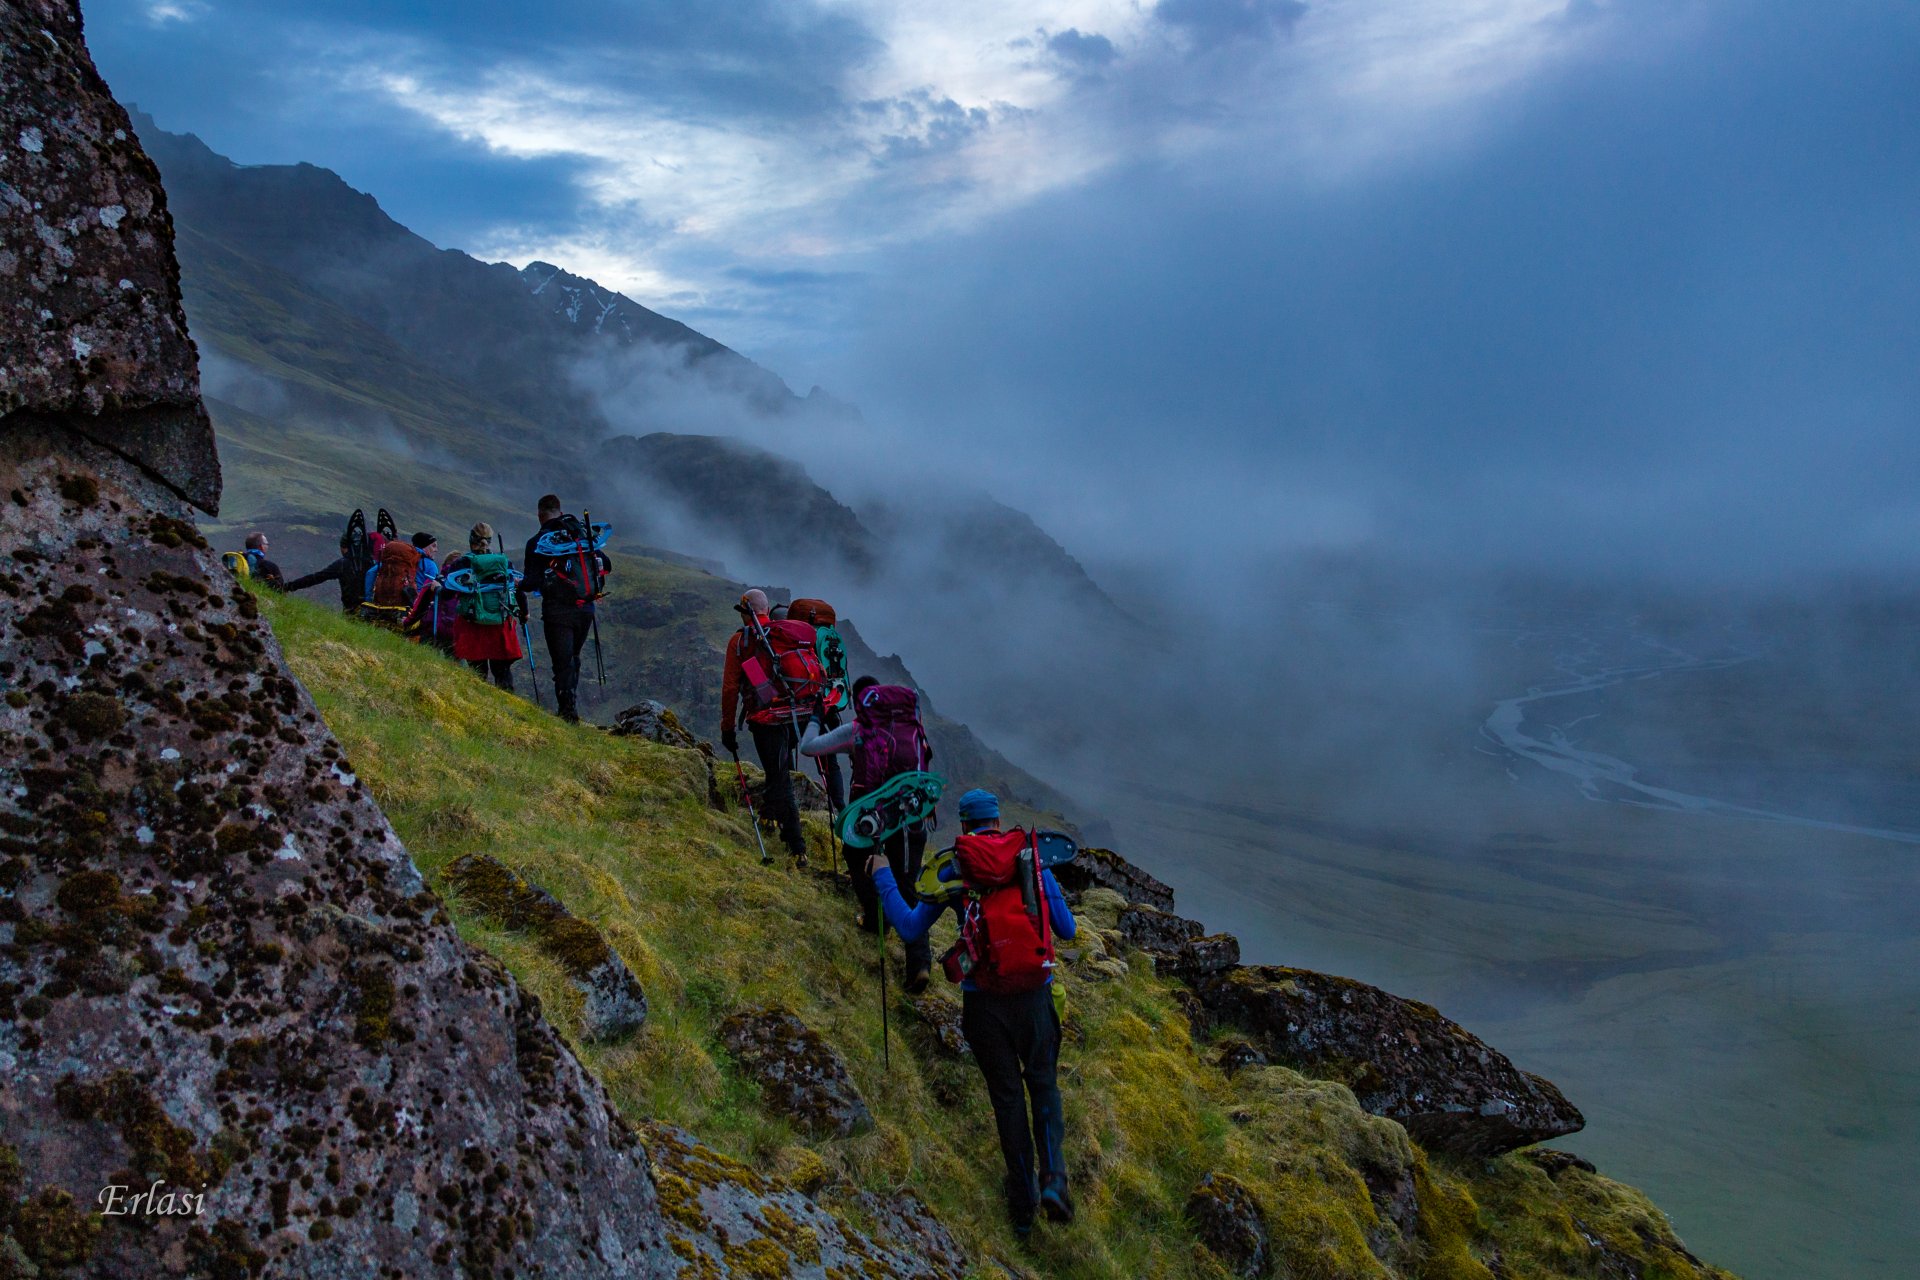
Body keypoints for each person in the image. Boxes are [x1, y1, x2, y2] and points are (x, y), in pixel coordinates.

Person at [869, 788, 1077, 1237]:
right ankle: (1055, 1182)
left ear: (964, 826)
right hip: (1037, 998)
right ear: (998, 822)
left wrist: (883, 875)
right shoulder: (1032, 858)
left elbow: (907, 927)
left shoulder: (951, 868)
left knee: (1007, 1102)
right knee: (1043, 1085)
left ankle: (1023, 1210)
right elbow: (1068, 928)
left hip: (984, 1006)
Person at [801, 675, 932, 990]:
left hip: (869, 816)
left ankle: (876, 920)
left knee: (856, 856)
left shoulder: (857, 731)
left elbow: (809, 748)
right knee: (908, 884)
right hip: (910, 815)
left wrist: (817, 717)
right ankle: (919, 964)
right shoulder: (911, 731)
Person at [720, 588, 816, 865]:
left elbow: (730, 689)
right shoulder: (785, 636)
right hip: (799, 713)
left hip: (767, 719)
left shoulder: (741, 641)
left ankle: (797, 847)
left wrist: (727, 728)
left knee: (780, 776)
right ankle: (768, 818)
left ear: (745, 611)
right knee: (779, 772)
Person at [519, 495, 610, 723]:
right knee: (574, 656)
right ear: (560, 512)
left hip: (557, 611)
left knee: (562, 660)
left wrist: (518, 584)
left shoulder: (538, 542)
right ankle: (570, 705)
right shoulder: (580, 535)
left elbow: (531, 582)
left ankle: (568, 710)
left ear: (540, 515)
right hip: (585, 608)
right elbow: (605, 564)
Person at [449, 522, 523, 690]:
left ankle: (479, 703)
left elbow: (448, 590)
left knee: (477, 669)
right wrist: (523, 613)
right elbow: (514, 589)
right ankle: (507, 709)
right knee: (502, 670)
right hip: (500, 622)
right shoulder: (504, 563)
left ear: (471, 539)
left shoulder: (461, 564)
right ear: (490, 541)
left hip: (472, 621)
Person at [285, 532, 366, 614]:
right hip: (370, 610)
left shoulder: (343, 564)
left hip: (351, 612)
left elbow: (317, 578)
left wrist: (288, 587)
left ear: (344, 547)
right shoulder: (370, 561)